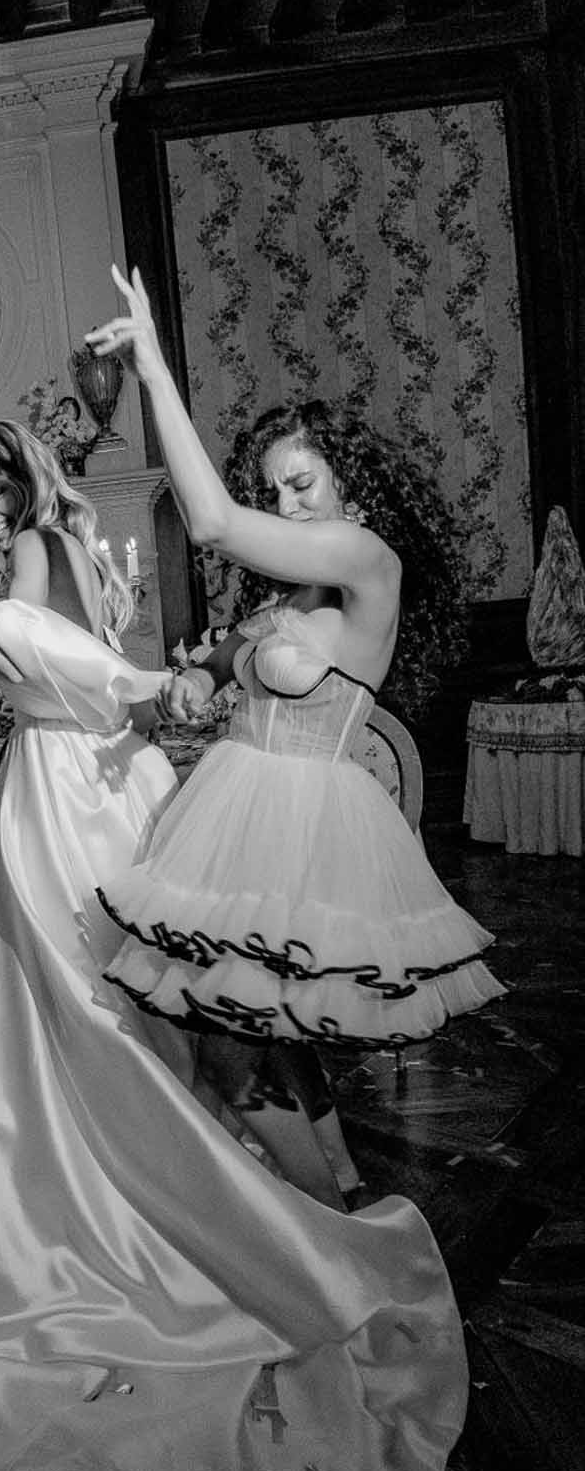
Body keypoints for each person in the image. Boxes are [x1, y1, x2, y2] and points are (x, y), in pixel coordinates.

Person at [0, 420, 466, 1471]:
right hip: (125, 782)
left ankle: (197, 1192)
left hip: (99, 794)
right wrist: (184, 677)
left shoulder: (49, 552)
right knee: (179, 1011)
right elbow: (107, 670)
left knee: (114, 1011)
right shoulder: (82, 547)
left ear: (23, 478)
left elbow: (43, 655)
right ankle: (292, 1175)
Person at [87, 267, 504, 1205]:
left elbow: (210, 523)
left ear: (350, 477)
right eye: (275, 490)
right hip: (238, 812)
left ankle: (334, 1243)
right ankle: (345, 1188)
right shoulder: (294, 594)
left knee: (229, 1064)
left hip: (303, 828)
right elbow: (224, 658)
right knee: (261, 1029)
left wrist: (154, 364)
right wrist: (197, 678)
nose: (290, 505)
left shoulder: (368, 561)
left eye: (303, 482)